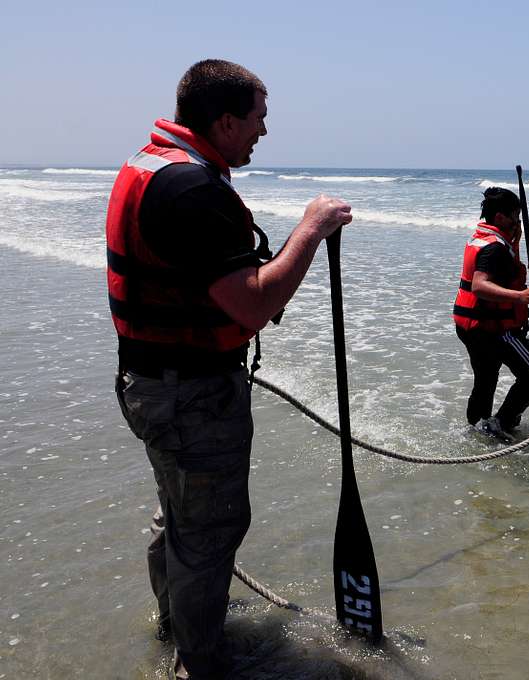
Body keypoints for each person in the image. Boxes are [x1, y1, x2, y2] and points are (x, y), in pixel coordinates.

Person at [107, 59, 352, 679]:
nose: (262, 133)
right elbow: (255, 302)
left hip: (150, 383)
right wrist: (312, 229)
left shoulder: (154, 164)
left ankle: (176, 625)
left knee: (181, 517)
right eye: (257, 120)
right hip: (187, 394)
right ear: (222, 121)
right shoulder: (193, 190)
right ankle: (203, 662)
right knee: (210, 528)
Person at [453, 187, 529, 441]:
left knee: (486, 379)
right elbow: (479, 285)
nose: (518, 219)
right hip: (492, 328)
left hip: (472, 325)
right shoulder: (494, 247)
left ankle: (477, 428)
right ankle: (502, 423)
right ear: (500, 217)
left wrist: (514, 240)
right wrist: (520, 296)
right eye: (515, 214)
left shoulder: (485, 237)